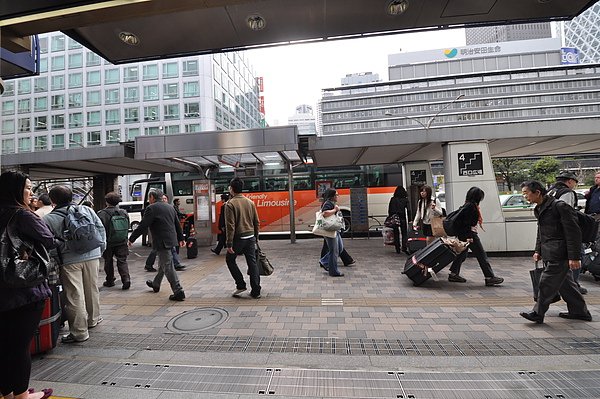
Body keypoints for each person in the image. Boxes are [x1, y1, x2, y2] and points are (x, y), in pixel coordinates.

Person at [0, 171, 55, 399]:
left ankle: (5, 392)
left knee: (2, 345)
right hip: (24, 291)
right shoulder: (22, 215)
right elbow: (49, 239)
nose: (31, 193)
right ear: (15, 191)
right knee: (19, 347)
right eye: (28, 188)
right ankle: (22, 395)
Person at [520, 180, 591, 324]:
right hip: (550, 252)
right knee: (567, 285)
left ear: (537, 192)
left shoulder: (560, 206)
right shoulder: (540, 208)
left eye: (526, 193)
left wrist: (574, 257)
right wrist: (538, 250)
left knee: (546, 283)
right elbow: (541, 232)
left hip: (560, 253)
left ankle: (537, 313)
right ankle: (580, 312)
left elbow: (573, 233)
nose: (525, 197)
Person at [43, 185, 106, 343]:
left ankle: (79, 332)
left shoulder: (48, 219)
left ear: (53, 200)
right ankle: (93, 319)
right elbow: (100, 229)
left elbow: (48, 243)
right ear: (72, 197)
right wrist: (100, 250)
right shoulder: (87, 210)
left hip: (69, 260)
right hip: (92, 255)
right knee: (92, 288)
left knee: (74, 295)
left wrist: (55, 259)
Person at [129, 189, 186, 301]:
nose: (148, 200)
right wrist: (181, 238)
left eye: (149, 198)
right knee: (163, 264)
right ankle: (156, 283)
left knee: (168, 266)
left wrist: (132, 238)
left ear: (152, 197)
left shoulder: (152, 208)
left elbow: (143, 225)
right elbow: (177, 224)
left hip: (162, 241)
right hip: (171, 240)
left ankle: (178, 290)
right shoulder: (170, 207)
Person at [447, 187, 504, 286]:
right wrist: (469, 238)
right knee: (481, 255)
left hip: (464, 234)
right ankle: (489, 277)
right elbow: (468, 223)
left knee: (461, 254)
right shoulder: (471, 207)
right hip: (470, 235)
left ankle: (453, 274)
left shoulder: (466, 205)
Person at [548, 171, 587, 295]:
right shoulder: (567, 192)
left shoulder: (550, 191)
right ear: (569, 181)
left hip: (550, 232)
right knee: (576, 255)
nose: (574, 185)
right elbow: (567, 213)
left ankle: (560, 286)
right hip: (564, 232)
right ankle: (573, 284)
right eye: (575, 182)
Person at [224, 177, 262, 298]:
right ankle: (256, 291)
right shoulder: (250, 202)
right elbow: (257, 222)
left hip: (238, 239)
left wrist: (229, 244)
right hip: (250, 237)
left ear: (231, 189)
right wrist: (256, 238)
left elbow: (230, 226)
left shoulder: (229, 204)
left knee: (230, 260)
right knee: (252, 263)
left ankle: (240, 284)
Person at [97, 192, 131, 290]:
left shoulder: (102, 214)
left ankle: (110, 280)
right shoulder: (124, 212)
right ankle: (126, 279)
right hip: (121, 240)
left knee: (108, 261)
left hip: (108, 241)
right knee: (122, 260)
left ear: (107, 202)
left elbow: (99, 228)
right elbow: (127, 226)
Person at [144, 194, 186, 272]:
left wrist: (181, 238)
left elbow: (177, 225)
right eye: (162, 198)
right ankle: (149, 265)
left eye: (165, 199)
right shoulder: (153, 208)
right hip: (160, 238)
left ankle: (176, 264)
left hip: (169, 237)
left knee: (168, 257)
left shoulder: (170, 208)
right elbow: (144, 224)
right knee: (159, 254)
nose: (164, 200)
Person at [319, 188, 345, 277]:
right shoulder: (328, 204)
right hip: (329, 230)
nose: (338, 196)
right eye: (336, 195)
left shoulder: (332, 203)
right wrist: (335, 210)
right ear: (332, 196)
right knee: (334, 251)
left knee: (340, 248)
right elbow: (325, 213)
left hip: (334, 229)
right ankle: (333, 271)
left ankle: (324, 261)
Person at [388, 185, 410, 254]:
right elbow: (409, 210)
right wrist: (410, 219)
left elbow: (389, 209)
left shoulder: (393, 199)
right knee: (404, 233)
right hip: (402, 217)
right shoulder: (405, 200)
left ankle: (397, 248)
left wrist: (390, 217)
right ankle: (404, 247)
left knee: (396, 233)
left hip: (394, 217)